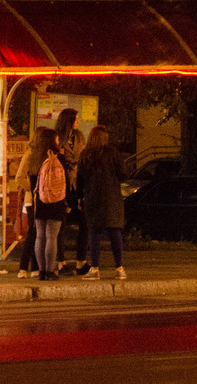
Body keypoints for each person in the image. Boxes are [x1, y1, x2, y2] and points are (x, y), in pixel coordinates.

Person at [78, 125, 128, 280]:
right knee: (115, 233)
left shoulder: (86, 154)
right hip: (112, 198)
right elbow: (123, 174)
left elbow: (80, 179)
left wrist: (79, 197)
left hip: (93, 198)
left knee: (94, 234)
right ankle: (119, 268)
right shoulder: (113, 153)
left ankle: (95, 268)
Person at [12, 126, 53, 278]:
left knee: (39, 234)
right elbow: (19, 177)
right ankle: (23, 267)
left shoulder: (46, 155)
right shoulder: (30, 154)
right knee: (34, 232)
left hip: (45, 199)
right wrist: (33, 187)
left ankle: (35, 267)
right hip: (33, 199)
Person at [54, 108, 88, 273]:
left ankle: (81, 261)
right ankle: (61, 262)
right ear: (68, 120)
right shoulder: (57, 137)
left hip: (77, 183)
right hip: (62, 183)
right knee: (61, 225)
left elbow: (82, 156)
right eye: (75, 119)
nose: (78, 121)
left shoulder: (79, 136)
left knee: (84, 222)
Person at [32, 128, 68, 280]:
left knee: (40, 236)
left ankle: (41, 272)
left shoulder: (35, 157)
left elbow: (32, 181)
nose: (59, 142)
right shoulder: (58, 158)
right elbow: (66, 181)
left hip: (40, 201)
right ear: (52, 141)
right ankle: (50, 271)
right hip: (57, 200)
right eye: (57, 140)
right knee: (52, 237)